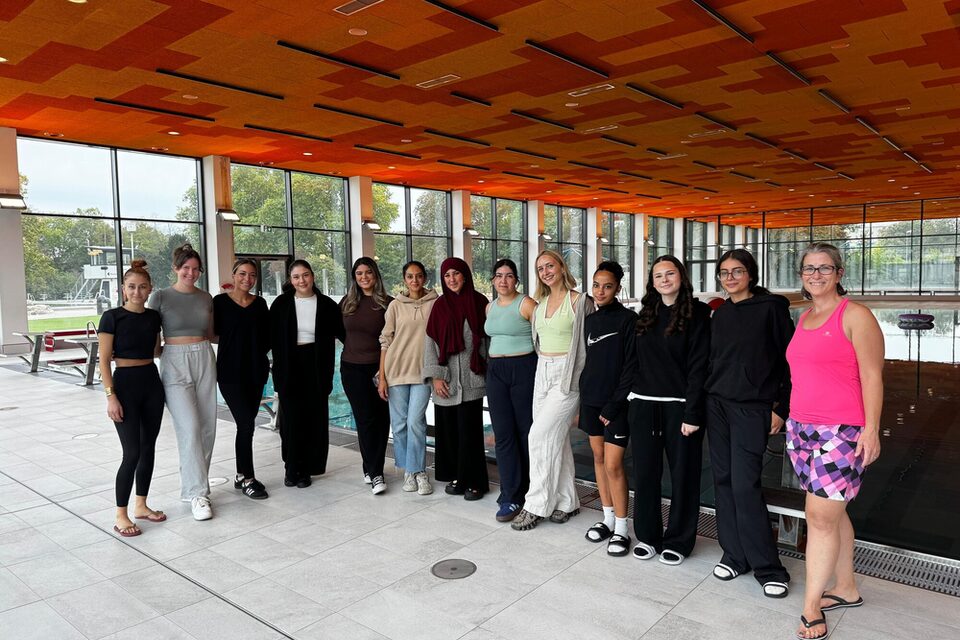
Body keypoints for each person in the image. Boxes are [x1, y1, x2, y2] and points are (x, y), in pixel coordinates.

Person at [787, 243, 883, 640]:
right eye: (809, 269)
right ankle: (845, 588)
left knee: (820, 518)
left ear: (839, 273)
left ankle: (811, 608)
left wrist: (872, 429)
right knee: (834, 513)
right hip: (802, 429)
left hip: (841, 431)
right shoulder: (804, 317)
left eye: (825, 268)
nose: (816, 275)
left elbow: (873, 376)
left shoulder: (855, 315)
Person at [705, 248, 792, 597]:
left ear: (750, 275)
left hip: (751, 408)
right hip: (718, 406)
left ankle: (769, 567)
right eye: (724, 272)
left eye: (737, 271)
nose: (730, 278)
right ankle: (735, 554)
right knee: (723, 481)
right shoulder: (722, 313)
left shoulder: (771, 309)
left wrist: (782, 408)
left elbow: (790, 362)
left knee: (745, 485)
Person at [628, 256, 711, 564]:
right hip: (643, 404)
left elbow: (699, 365)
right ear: (652, 282)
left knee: (684, 476)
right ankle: (648, 536)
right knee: (646, 474)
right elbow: (634, 360)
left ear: (681, 277)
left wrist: (692, 412)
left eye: (669, 274)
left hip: (680, 408)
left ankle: (679, 540)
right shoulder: (645, 314)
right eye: (658, 275)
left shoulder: (698, 313)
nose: (664, 279)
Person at [512, 249, 594, 531]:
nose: (545, 272)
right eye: (540, 268)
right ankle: (567, 501)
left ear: (561, 267)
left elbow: (590, 345)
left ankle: (535, 505)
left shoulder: (580, 301)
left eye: (550, 266)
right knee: (555, 439)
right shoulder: (540, 304)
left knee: (538, 436)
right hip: (542, 371)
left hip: (567, 374)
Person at [147, 243, 217, 521]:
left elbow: (212, 334)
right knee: (188, 427)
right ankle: (197, 493)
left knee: (207, 427)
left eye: (196, 268)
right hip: (173, 357)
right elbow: (152, 337)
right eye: (186, 268)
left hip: (203, 355)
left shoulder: (206, 298)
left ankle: (198, 485)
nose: (191, 272)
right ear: (175, 268)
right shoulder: (160, 297)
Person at [98, 260, 165, 537]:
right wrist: (111, 397)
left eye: (142, 287)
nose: (137, 292)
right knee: (132, 452)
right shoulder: (112, 317)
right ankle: (121, 513)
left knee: (148, 447)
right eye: (132, 287)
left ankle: (141, 505)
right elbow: (103, 361)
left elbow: (156, 352)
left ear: (150, 289)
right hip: (124, 385)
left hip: (151, 383)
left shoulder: (153, 318)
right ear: (123, 289)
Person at [269, 260, 344, 488]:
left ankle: (307, 469)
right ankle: (292, 467)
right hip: (290, 365)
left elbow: (344, 335)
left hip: (316, 365)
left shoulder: (327, 305)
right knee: (291, 420)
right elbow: (269, 336)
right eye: (296, 277)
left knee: (314, 419)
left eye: (305, 275)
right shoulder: (281, 304)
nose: (301, 281)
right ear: (290, 280)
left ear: (312, 276)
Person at [579, 261, 637, 556]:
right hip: (590, 399)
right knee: (599, 459)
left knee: (614, 465)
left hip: (616, 404)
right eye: (597, 285)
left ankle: (623, 529)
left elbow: (630, 367)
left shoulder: (628, 320)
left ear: (618, 288)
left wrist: (615, 403)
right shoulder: (589, 320)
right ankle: (607, 518)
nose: (601, 291)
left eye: (608, 286)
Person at [423, 257, 490, 501]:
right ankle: (458, 478)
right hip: (447, 381)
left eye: (456, 274)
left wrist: (485, 368)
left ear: (465, 275)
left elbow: (487, 340)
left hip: (472, 380)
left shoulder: (480, 302)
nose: (451, 279)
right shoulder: (439, 306)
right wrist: (436, 378)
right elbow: (430, 342)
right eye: (447, 275)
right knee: (450, 433)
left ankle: (476, 482)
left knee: (470, 434)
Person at [378, 261, 438, 496]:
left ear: (425, 278)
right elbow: (385, 341)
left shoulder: (435, 303)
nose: (415, 281)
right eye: (410, 277)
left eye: (419, 276)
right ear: (404, 279)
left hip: (422, 372)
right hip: (396, 371)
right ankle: (408, 470)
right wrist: (382, 377)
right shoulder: (395, 305)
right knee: (400, 423)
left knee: (415, 421)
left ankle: (419, 470)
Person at [484, 258, 537, 522]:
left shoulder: (526, 304)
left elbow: (542, 338)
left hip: (523, 368)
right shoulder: (489, 307)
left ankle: (531, 491)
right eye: (498, 275)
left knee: (526, 432)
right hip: (496, 371)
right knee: (503, 434)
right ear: (493, 280)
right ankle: (510, 494)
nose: (503, 280)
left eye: (508, 276)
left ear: (516, 280)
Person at [213, 258, 270, 500]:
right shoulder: (220, 302)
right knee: (246, 423)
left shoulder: (260, 304)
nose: (247, 279)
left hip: (256, 372)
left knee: (245, 425)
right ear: (234, 275)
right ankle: (248, 478)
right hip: (230, 373)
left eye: (252, 275)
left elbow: (268, 336)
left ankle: (240, 475)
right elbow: (212, 334)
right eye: (243, 274)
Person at [340, 257, 393, 495]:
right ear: (354, 277)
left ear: (376, 275)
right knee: (364, 420)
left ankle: (370, 467)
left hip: (380, 369)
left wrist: (383, 369)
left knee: (382, 420)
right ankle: (375, 472)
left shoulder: (388, 304)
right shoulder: (347, 302)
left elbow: (395, 339)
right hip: (352, 368)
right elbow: (341, 332)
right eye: (359, 273)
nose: (364, 277)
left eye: (368, 272)